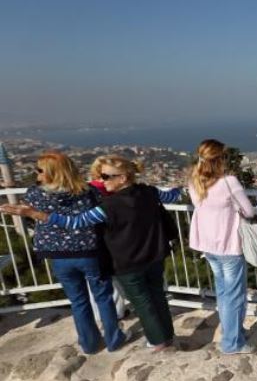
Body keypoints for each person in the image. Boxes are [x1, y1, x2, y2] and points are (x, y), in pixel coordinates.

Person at [2, 155, 182, 352]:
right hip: (152, 255)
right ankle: (159, 336)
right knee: (156, 296)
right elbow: (172, 196)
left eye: (105, 176)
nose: (101, 181)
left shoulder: (108, 206)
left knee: (141, 303)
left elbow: (74, 222)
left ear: (122, 178)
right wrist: (188, 185)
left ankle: (156, 342)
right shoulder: (149, 192)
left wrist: (34, 214)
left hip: (125, 262)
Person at [21, 151, 127, 354]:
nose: (37, 173)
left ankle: (88, 344)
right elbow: (101, 210)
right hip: (89, 252)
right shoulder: (87, 192)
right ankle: (113, 340)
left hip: (59, 256)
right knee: (102, 297)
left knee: (78, 301)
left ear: (51, 172)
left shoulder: (36, 194)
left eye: (39, 170)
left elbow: (30, 206)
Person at [188, 139, 255, 354]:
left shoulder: (195, 181)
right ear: (220, 159)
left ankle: (234, 333)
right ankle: (232, 343)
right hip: (227, 245)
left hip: (209, 246)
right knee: (234, 295)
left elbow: (202, 207)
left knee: (224, 294)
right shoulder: (229, 182)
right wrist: (235, 205)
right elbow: (249, 211)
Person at [86, 155, 128, 321]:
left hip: (91, 242)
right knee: (114, 280)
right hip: (110, 240)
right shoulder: (107, 192)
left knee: (97, 282)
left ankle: (101, 316)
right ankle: (116, 314)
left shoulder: (87, 189)